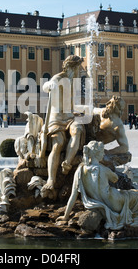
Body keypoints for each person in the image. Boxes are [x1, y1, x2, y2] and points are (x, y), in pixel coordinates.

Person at [40, 55, 86, 199]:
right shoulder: (58, 78)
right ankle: (51, 179)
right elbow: (45, 86)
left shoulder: (74, 82)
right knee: (58, 143)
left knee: (78, 130)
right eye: (76, 68)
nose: (78, 71)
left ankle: (67, 162)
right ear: (69, 68)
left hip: (70, 116)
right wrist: (49, 86)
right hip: (56, 118)